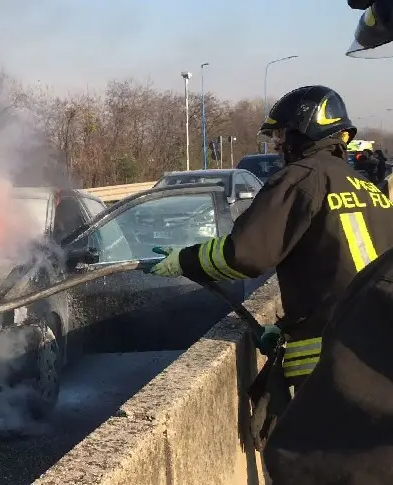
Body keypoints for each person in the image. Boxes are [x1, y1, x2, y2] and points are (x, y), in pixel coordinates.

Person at [145, 85, 393, 393]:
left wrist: (183, 260)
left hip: (335, 368)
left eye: (280, 135)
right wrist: (288, 328)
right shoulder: (367, 188)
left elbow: (245, 254)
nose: (276, 145)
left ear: (302, 131)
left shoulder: (300, 178)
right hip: (381, 354)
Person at [220, 245, 393, 485]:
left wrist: (186, 259)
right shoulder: (366, 192)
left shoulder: (301, 186)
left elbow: (247, 248)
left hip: (328, 368)